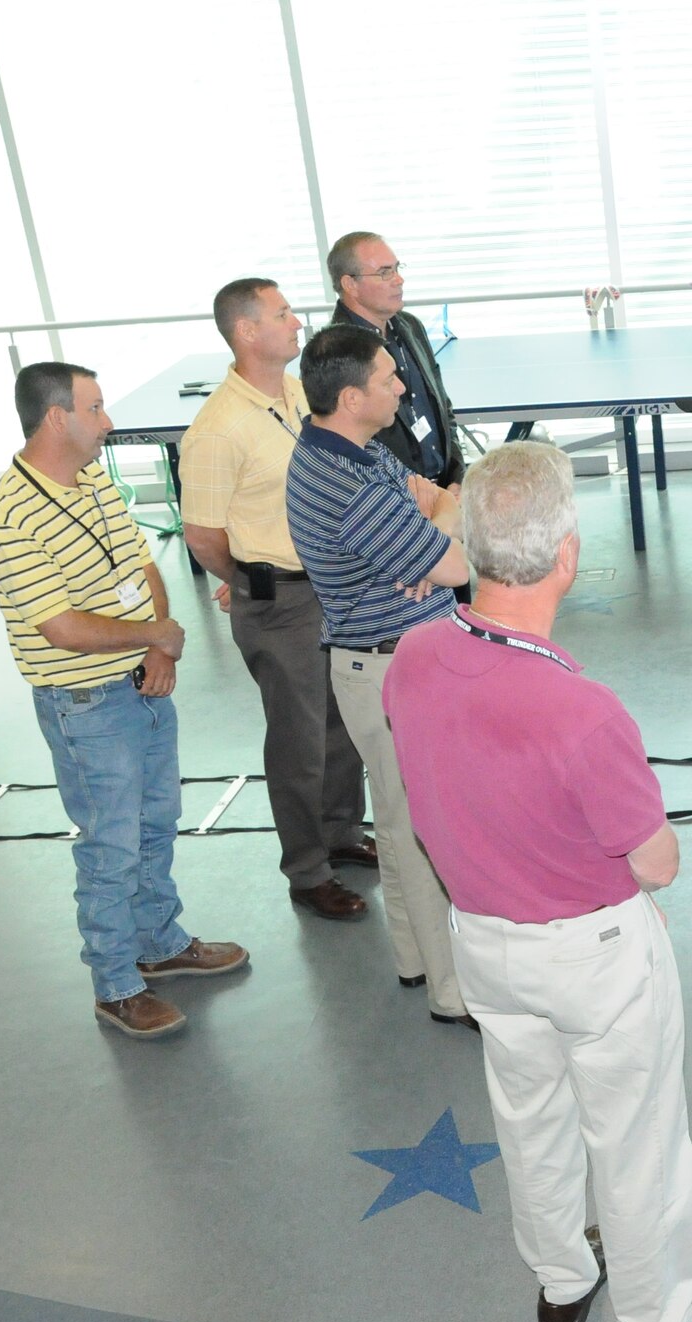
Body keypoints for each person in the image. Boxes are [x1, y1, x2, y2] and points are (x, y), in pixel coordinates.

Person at [383, 442, 692, 1322]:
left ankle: (560, 1283)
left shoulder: (415, 659)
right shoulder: (582, 710)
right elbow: (656, 863)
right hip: (592, 955)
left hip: (486, 948)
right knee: (635, 1143)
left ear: (469, 547)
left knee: (529, 1118)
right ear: (567, 556)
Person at [0, 363, 249, 1038]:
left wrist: (157, 648)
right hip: (87, 704)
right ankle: (116, 984)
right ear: (55, 419)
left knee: (156, 823)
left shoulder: (95, 477)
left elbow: (141, 566)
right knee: (111, 845)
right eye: (95, 409)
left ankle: (159, 943)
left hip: (142, 680)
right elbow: (61, 627)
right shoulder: (8, 513)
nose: (108, 421)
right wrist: (153, 634)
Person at [285, 324, 474, 1029]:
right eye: (390, 379)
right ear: (352, 395)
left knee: (396, 823)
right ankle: (451, 993)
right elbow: (455, 566)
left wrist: (428, 538)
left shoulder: (350, 454)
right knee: (422, 829)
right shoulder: (350, 481)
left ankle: (412, 957)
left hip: (384, 661)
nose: (403, 386)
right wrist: (439, 534)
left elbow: (429, 513)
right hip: (392, 673)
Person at [180, 277, 374, 923]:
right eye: (283, 313)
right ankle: (307, 871)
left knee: (344, 718)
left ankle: (343, 832)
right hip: (280, 600)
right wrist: (248, 580)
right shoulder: (216, 430)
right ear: (246, 332)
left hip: (333, 585)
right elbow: (203, 535)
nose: (297, 322)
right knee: (299, 741)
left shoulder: (295, 394)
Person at [327, 231, 464, 487]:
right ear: (350, 284)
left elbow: (443, 409)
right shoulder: (335, 353)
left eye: (397, 268)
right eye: (384, 272)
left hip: (446, 492)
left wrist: (456, 478)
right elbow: (348, 447)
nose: (399, 280)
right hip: (395, 505)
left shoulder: (411, 326)